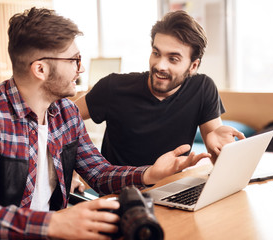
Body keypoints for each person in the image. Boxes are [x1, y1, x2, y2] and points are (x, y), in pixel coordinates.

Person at [0, 7, 211, 240]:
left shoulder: (66, 113)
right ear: (41, 69)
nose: (81, 69)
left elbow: (98, 173)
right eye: (74, 60)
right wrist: (54, 223)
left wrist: (149, 174)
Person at [75, 10, 244, 168]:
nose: (160, 65)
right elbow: (62, 118)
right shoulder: (113, 87)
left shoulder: (202, 88)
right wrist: (74, 171)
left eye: (173, 59)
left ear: (193, 66)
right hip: (123, 194)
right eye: (156, 53)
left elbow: (218, 164)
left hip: (172, 190)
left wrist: (220, 151)